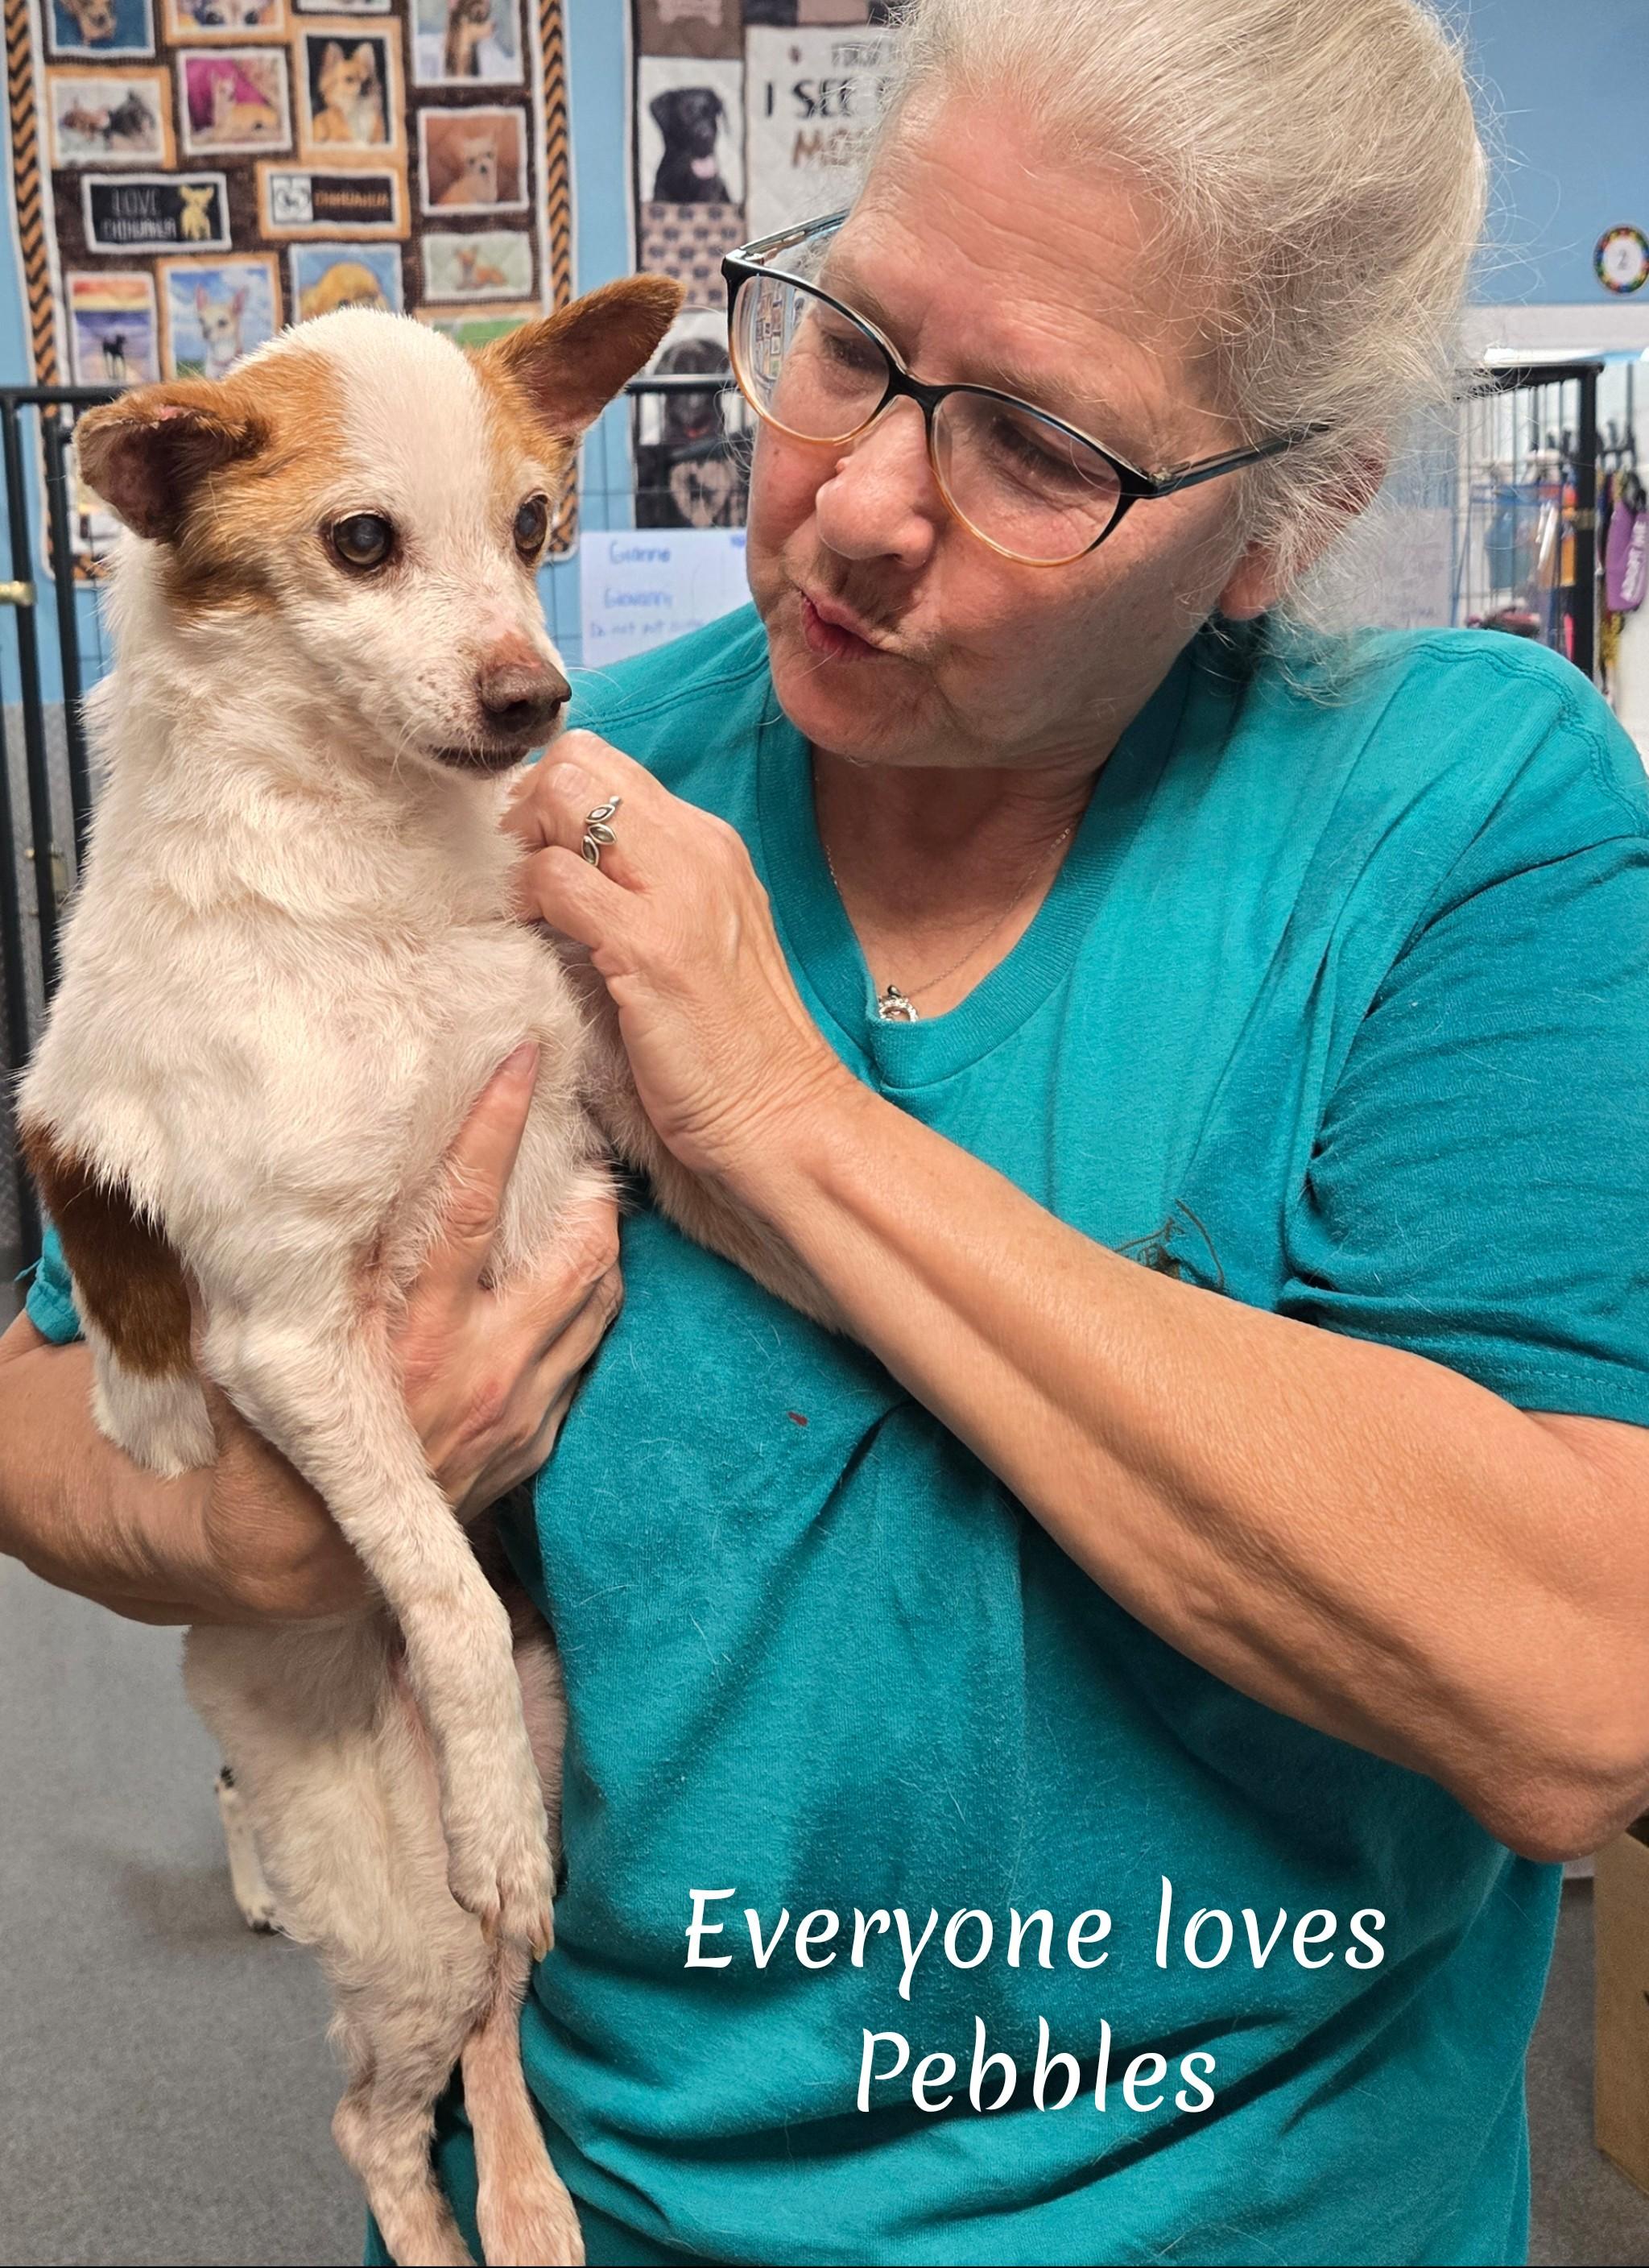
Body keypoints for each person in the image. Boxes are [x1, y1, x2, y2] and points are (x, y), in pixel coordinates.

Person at [7, 0, 1649, 2260]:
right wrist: (287, 1532)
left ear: (1285, 521)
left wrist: (784, 1125)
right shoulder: (518, 792)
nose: (860, 507)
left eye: (1046, 449)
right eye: (850, 342)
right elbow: (57, 1391)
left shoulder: (1467, 814)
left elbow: (1579, 1690)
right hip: (614, 2187)